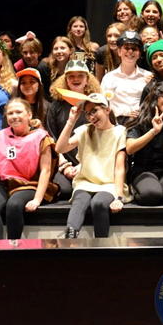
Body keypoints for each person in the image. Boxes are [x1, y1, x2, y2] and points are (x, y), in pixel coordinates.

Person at [0, 98, 58, 240]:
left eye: (19, 112)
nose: (14, 116)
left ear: (29, 114)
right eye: (10, 113)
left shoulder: (42, 137)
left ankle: (12, 248)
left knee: (14, 205)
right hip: (5, 183)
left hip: (29, 185)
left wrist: (37, 199)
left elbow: (45, 171)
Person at [55, 93, 127, 239]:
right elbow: (60, 148)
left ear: (107, 110)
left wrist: (118, 197)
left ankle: (101, 245)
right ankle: (69, 239)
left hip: (109, 184)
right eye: (87, 114)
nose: (91, 117)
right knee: (79, 201)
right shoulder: (85, 130)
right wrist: (70, 122)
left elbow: (119, 168)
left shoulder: (120, 132)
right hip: (86, 181)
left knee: (99, 203)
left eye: (94, 111)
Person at [46, 61, 102, 200]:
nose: (75, 79)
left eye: (80, 76)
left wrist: (84, 165)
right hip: (65, 163)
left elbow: (104, 138)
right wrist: (64, 165)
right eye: (71, 76)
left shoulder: (97, 105)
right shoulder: (56, 107)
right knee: (64, 191)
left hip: (93, 163)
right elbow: (51, 138)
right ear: (65, 80)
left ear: (87, 79)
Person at [126, 82, 163, 206]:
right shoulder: (139, 118)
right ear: (155, 97)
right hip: (144, 169)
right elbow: (130, 149)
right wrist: (154, 131)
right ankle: (134, 189)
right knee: (151, 194)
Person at [100, 31, 152, 124]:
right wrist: (126, 113)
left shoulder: (148, 76)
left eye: (134, 48)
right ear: (119, 51)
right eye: (126, 48)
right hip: (115, 124)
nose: (130, 51)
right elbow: (102, 104)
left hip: (141, 123)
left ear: (139, 53)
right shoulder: (108, 78)